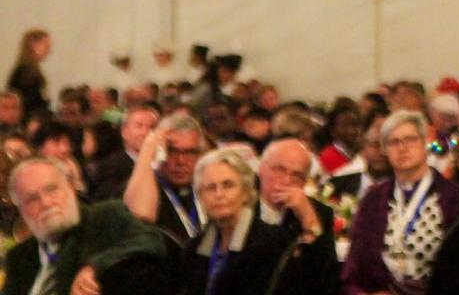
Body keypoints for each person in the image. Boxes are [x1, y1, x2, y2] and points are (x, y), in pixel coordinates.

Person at [341, 109, 459, 295]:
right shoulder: (373, 200)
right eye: (394, 142)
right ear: (384, 150)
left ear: (425, 143)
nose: (402, 148)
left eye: (410, 139)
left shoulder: (453, 197)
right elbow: (353, 271)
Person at [2, 156, 171, 295]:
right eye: (32, 199)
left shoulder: (104, 217)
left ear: (70, 187)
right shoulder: (19, 257)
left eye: (52, 190)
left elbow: (151, 239)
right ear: (21, 209)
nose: (46, 202)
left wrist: (94, 267)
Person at [178, 148, 318, 295]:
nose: (219, 194)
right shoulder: (193, 249)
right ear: (201, 197)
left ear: (245, 192)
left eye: (228, 185)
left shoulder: (274, 243)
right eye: (210, 188)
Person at [255, 139, 340, 293]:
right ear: (261, 168)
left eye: (297, 176)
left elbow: (327, 278)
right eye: (279, 169)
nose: (287, 180)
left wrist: (308, 218)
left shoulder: (318, 212)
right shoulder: (240, 203)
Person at [125, 115, 208, 242]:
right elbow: (141, 216)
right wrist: (147, 151)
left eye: (190, 152)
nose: (181, 161)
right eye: (172, 151)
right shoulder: (145, 186)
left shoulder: (209, 188)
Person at [91, 104, 159, 200]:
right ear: (125, 132)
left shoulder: (164, 165)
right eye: (139, 126)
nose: (146, 132)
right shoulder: (109, 167)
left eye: (152, 127)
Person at [6, 29, 51, 118]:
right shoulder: (25, 73)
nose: (49, 51)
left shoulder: (30, 71)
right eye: (46, 46)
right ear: (33, 45)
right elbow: (27, 102)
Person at [317, 102, 361, 175]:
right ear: (332, 131)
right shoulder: (328, 157)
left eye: (355, 124)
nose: (352, 130)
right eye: (345, 126)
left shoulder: (360, 153)